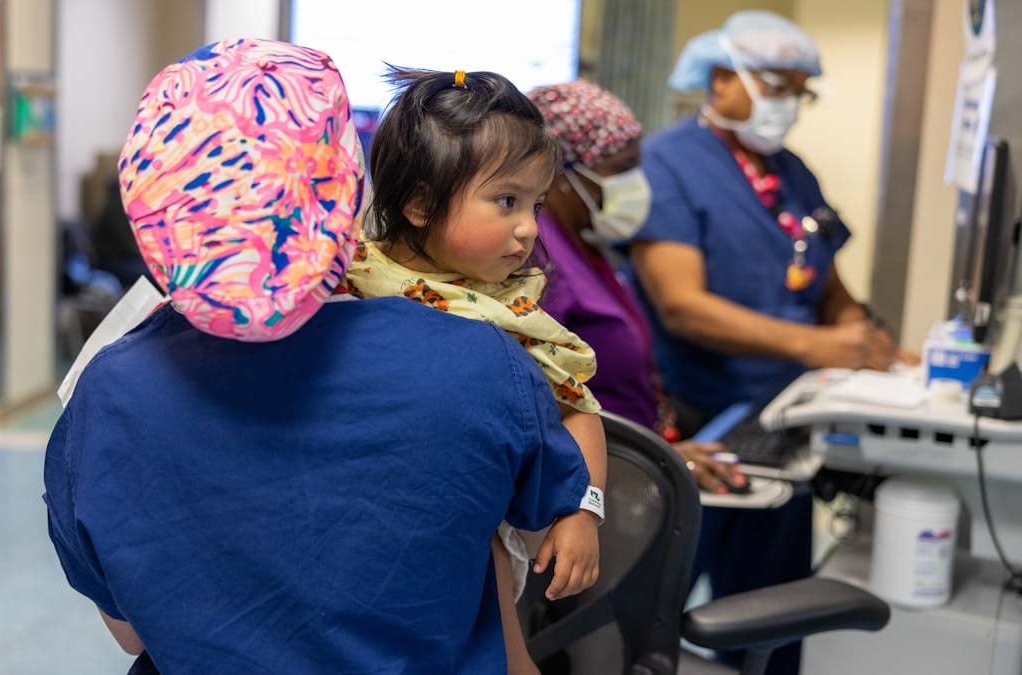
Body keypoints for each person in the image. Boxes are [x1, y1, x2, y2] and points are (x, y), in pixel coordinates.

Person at [44, 39, 590, 674]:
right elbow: (539, 543)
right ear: (344, 186)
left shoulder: (108, 392)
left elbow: (132, 633)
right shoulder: (485, 363)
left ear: (152, 198)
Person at [625, 12, 908, 675]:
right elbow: (682, 305)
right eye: (778, 85)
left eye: (799, 92)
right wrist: (819, 346)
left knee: (774, 614)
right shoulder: (666, 164)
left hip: (784, 421)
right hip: (702, 420)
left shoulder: (791, 172)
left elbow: (827, 280)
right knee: (656, 615)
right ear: (722, 80)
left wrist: (869, 340)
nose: (790, 106)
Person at [343, 67, 607, 674]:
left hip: (471, 518)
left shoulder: (506, 314)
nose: (528, 229)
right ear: (416, 203)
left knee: (495, 625)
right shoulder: (352, 270)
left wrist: (583, 510)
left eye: (535, 204)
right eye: (506, 201)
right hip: (377, 510)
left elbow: (579, 410)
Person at [528, 80, 742, 495]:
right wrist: (656, 459)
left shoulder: (583, 244)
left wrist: (661, 454)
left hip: (633, 464)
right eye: (621, 169)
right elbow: (545, 412)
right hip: (593, 480)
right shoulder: (539, 258)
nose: (637, 184)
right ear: (560, 173)